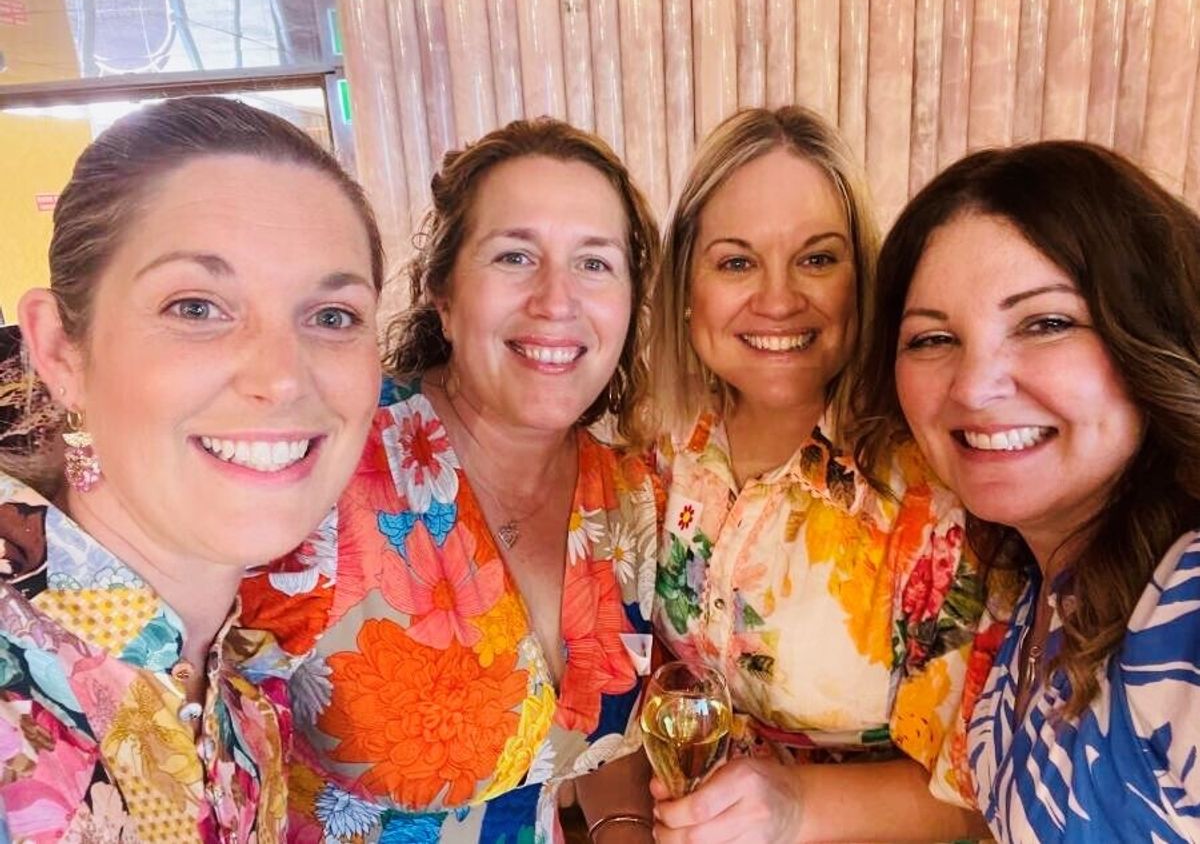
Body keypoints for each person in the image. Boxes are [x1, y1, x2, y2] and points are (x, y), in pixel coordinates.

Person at [239, 117, 662, 842]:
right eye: (514, 256)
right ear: (443, 292)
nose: (556, 300)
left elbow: (599, 740)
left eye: (595, 263)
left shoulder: (630, 498)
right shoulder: (329, 464)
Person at [0, 96, 384, 841]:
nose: (282, 377)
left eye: (332, 316)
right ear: (59, 350)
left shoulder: (245, 704)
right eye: (196, 307)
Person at [643, 106, 990, 842]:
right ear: (686, 289)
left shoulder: (936, 492)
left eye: (817, 259)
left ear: (864, 281)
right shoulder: (659, 447)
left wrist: (795, 805)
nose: (778, 300)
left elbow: (978, 797)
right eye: (736, 262)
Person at [856, 140, 1200, 841]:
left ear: (1151, 330)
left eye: (1046, 324)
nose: (974, 387)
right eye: (932, 338)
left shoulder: (1184, 602)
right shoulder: (1030, 588)